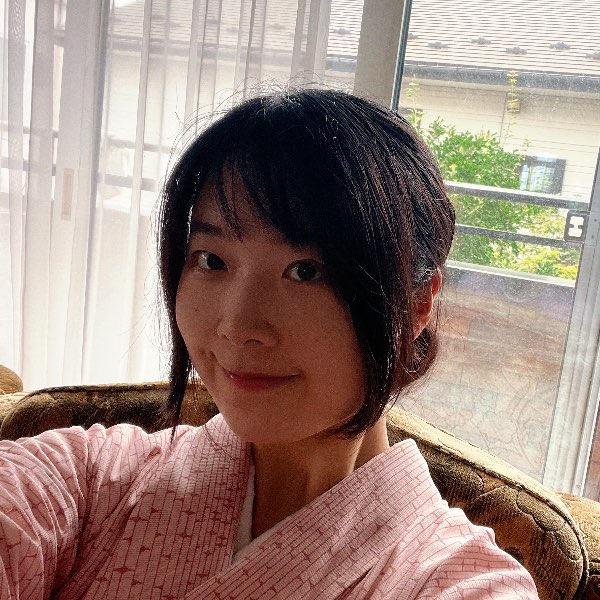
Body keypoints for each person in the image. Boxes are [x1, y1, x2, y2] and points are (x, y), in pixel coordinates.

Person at [0, 89, 538, 599]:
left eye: (306, 270)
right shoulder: (88, 480)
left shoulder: (460, 582)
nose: (238, 326)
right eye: (212, 260)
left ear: (416, 305)